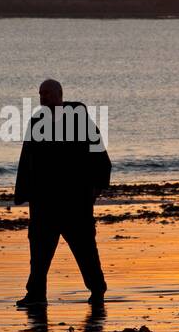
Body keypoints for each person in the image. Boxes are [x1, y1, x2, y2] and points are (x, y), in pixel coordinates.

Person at [14, 79, 110, 307]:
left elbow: (101, 159)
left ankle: (97, 289)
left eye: (47, 93)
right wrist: (24, 191)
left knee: (85, 249)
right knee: (39, 253)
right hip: (43, 201)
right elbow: (27, 158)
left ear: (59, 95)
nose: (43, 97)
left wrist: (94, 191)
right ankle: (36, 294)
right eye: (40, 94)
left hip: (75, 202)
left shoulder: (81, 122)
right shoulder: (37, 121)